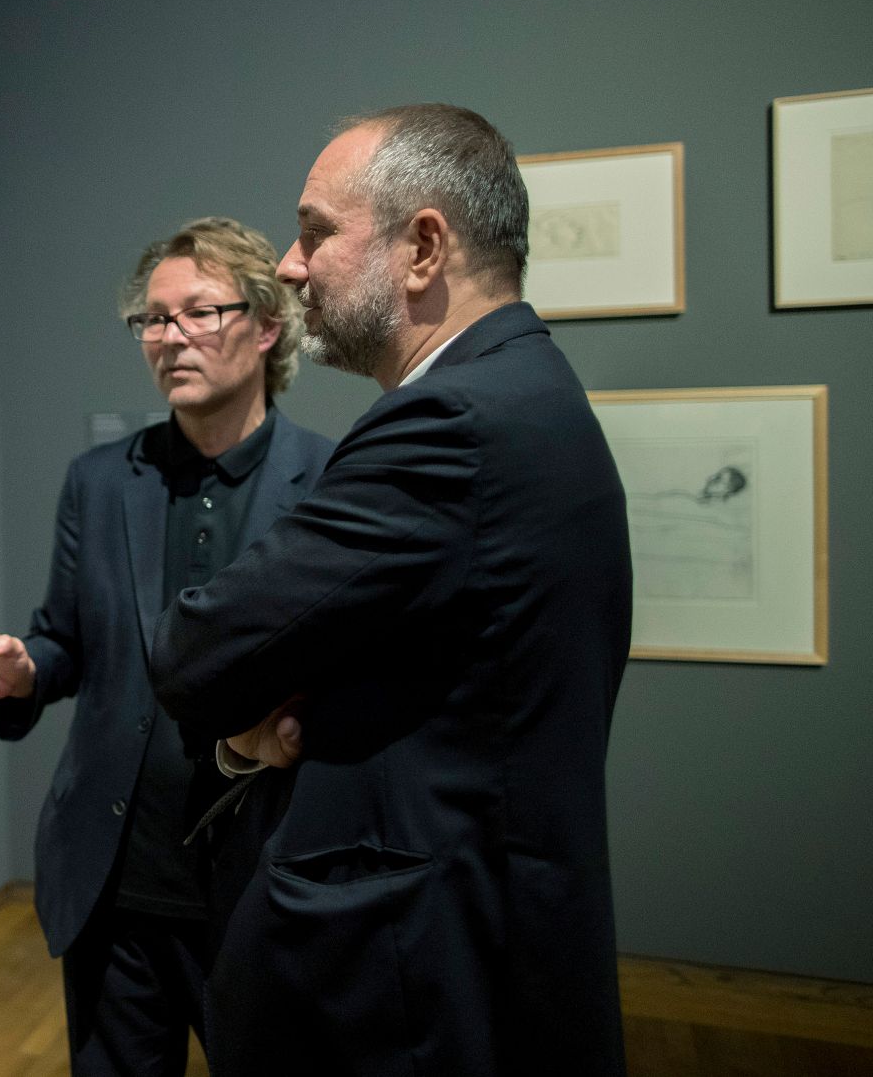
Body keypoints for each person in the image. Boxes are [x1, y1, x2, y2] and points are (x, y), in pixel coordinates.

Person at [147, 105, 633, 1076]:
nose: (288, 264)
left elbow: (195, 651)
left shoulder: (446, 420)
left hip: (407, 974)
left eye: (316, 231)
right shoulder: (529, 387)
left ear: (420, 247)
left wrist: (249, 731)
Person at [0, 218, 334, 1076]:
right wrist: (23, 670)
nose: (168, 338)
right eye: (152, 319)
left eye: (198, 313)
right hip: (116, 882)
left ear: (269, 325)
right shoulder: (100, 481)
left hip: (261, 883)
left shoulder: (329, 482)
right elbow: (64, 641)